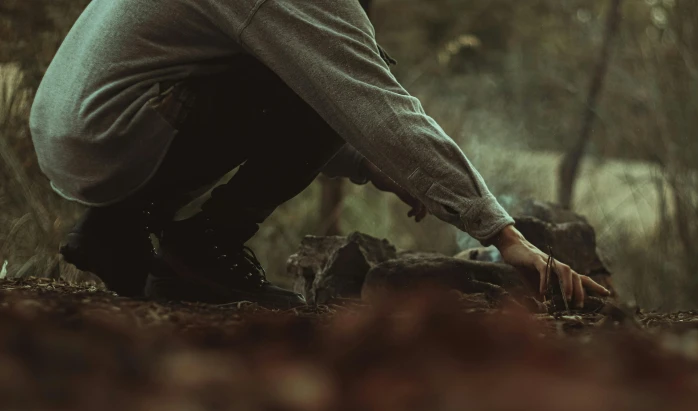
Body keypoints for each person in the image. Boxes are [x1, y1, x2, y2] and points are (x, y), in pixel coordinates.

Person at [29, 0, 610, 309]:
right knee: (323, 82)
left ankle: (118, 224)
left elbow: (236, 95)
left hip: (80, 134)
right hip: (118, 134)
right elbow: (371, 103)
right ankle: (201, 248)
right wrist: (505, 235)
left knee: (304, 74)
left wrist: (373, 166)